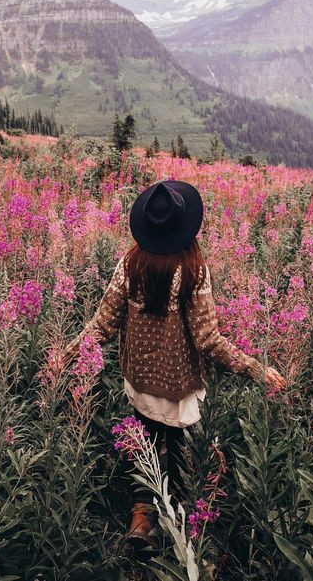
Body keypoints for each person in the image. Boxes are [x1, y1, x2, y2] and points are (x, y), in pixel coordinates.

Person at [63, 180, 286, 545]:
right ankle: (179, 529)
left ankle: (141, 520)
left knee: (144, 449)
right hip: (181, 389)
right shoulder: (193, 272)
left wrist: (65, 354)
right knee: (182, 457)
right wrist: (255, 368)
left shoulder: (129, 266)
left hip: (140, 384)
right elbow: (208, 339)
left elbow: (102, 325)